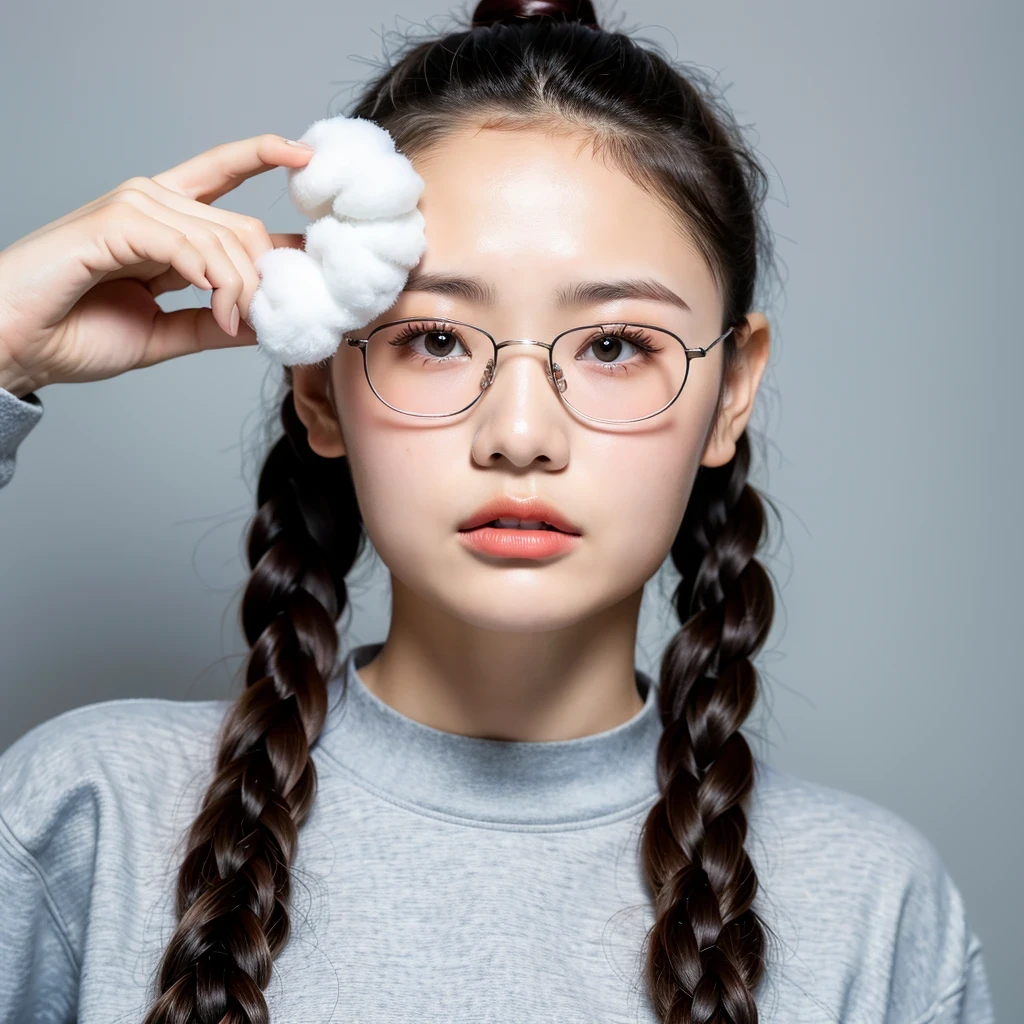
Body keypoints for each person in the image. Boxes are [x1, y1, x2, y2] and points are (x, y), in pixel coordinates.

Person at [0, 1, 996, 1022]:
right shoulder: (85, 819)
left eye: (614, 346)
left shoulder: (872, 910)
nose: (520, 433)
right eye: (434, 337)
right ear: (317, 387)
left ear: (730, 390)